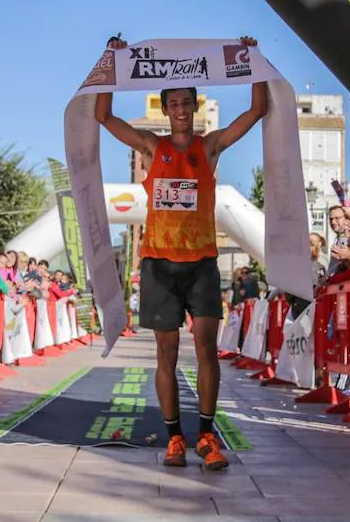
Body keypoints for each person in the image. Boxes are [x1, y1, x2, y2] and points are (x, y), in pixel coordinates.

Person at [94, 33, 268, 471]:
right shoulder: (153, 147)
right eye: (172, 104)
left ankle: (207, 434)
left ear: (194, 106)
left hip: (202, 264)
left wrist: (255, 60)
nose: (180, 111)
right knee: (166, 355)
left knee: (207, 351)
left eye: (186, 104)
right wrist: (109, 61)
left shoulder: (208, 147)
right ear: (166, 109)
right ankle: (174, 438)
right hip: (159, 265)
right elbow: (103, 116)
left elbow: (256, 111)